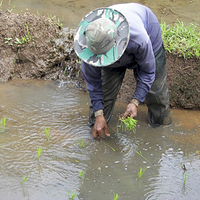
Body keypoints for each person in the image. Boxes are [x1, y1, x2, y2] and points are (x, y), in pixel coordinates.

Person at [74, 3, 171, 140]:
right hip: (108, 46)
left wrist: (135, 101)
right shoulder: (89, 49)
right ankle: (95, 132)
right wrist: (99, 114)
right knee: (105, 92)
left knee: (156, 92)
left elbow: (148, 72)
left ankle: (161, 130)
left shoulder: (139, 39)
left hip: (147, 38)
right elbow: (94, 85)